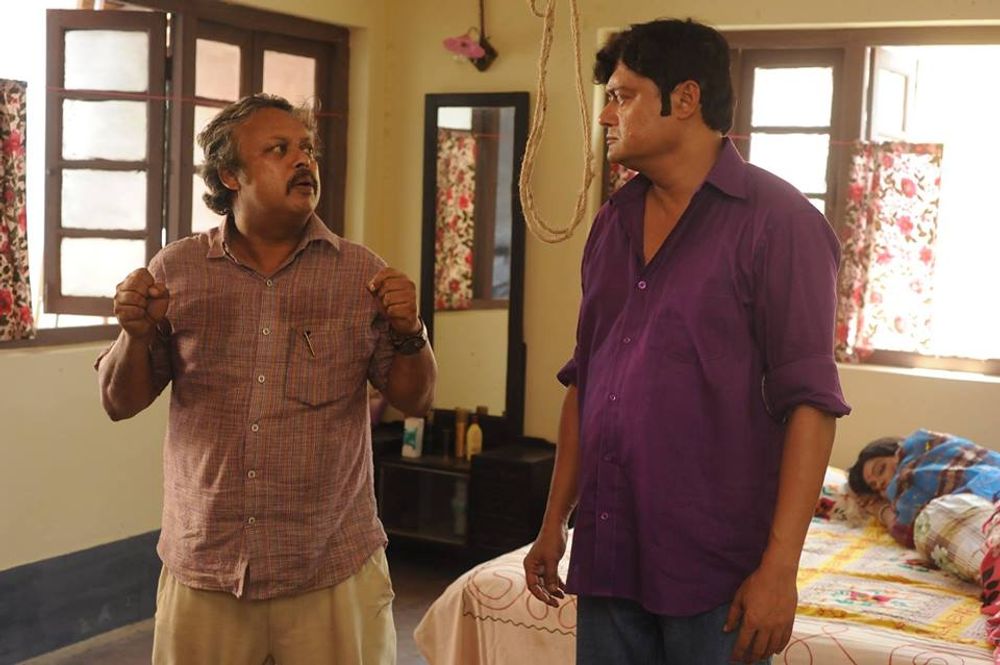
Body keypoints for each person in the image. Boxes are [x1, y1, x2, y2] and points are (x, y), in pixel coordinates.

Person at [522, 18, 850, 665]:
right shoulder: (612, 222)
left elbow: (812, 403)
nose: (607, 116)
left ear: (686, 98)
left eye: (623, 96)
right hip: (609, 553)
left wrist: (780, 569)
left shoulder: (781, 225)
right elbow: (587, 379)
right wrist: (553, 521)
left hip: (715, 572)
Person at [96, 93, 436, 665]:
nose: (303, 161)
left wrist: (410, 330)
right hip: (208, 567)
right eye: (278, 150)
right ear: (230, 175)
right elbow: (117, 402)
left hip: (330, 568)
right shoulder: (175, 271)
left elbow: (418, 399)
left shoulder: (360, 274)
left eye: (307, 149)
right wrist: (134, 334)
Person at [848, 429, 1000, 547]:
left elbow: (905, 531)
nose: (881, 483)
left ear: (898, 452)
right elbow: (920, 529)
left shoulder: (923, 451)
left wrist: (880, 510)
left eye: (881, 469)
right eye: (875, 487)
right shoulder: (904, 499)